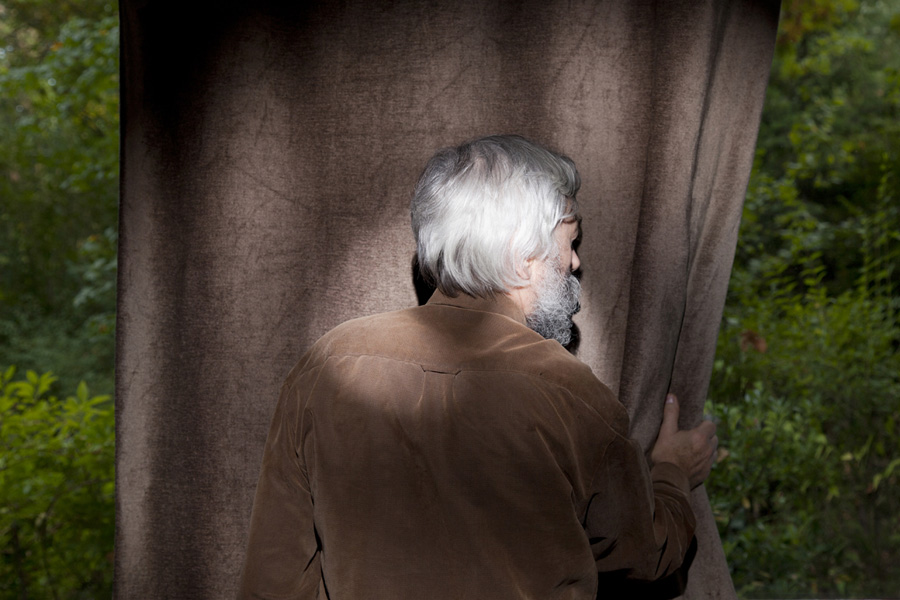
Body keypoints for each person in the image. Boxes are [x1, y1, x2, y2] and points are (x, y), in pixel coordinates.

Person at [238, 135, 718, 599]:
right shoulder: (574, 397)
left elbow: (274, 580)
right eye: (570, 241)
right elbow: (645, 553)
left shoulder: (327, 365)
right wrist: (671, 472)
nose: (574, 263)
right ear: (521, 253)